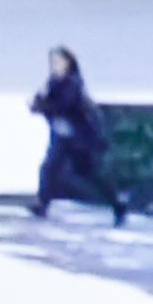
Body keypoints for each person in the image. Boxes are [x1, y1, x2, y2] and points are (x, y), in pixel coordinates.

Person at [31, 46, 128, 224]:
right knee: (50, 168)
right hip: (63, 136)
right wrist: (39, 104)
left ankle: (117, 203)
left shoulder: (73, 83)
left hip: (79, 137)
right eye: (53, 62)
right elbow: (44, 103)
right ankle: (42, 205)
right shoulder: (53, 82)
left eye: (59, 62)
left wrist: (43, 106)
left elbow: (63, 105)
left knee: (89, 173)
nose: (55, 65)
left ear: (68, 63)